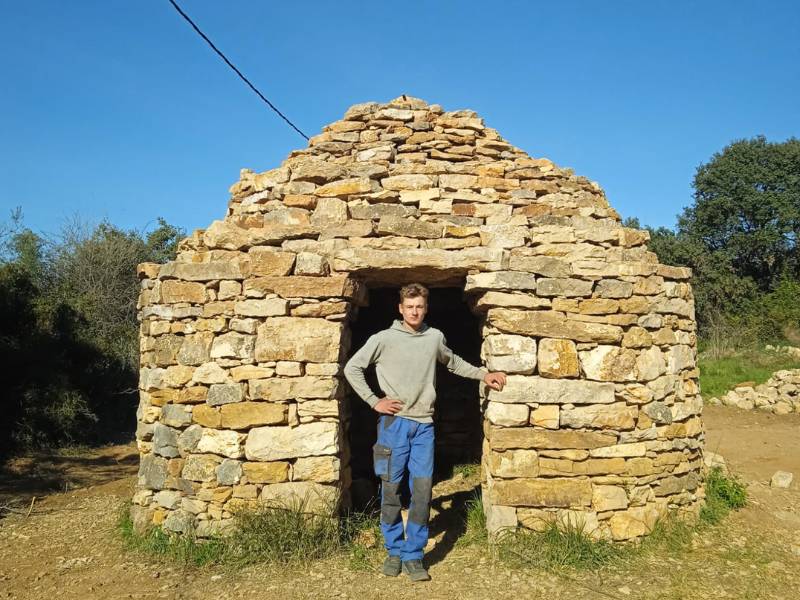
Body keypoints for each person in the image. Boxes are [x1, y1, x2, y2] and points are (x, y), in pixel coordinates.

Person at [344, 283, 507, 582]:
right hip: (393, 426)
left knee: (421, 492)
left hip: (424, 427)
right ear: (400, 309)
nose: (415, 311)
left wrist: (485, 374)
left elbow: (453, 362)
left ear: (426, 308)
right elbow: (352, 368)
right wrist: (374, 401)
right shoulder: (383, 339)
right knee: (391, 490)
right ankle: (394, 550)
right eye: (410, 307)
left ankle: (414, 554)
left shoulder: (434, 338)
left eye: (419, 306)